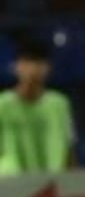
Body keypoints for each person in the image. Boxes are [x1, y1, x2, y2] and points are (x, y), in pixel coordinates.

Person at [0, 37, 76, 176]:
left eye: (39, 62)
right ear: (17, 66)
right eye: (27, 62)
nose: (33, 68)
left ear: (47, 68)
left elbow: (69, 147)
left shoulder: (60, 104)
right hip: (10, 185)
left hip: (52, 182)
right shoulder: (2, 105)